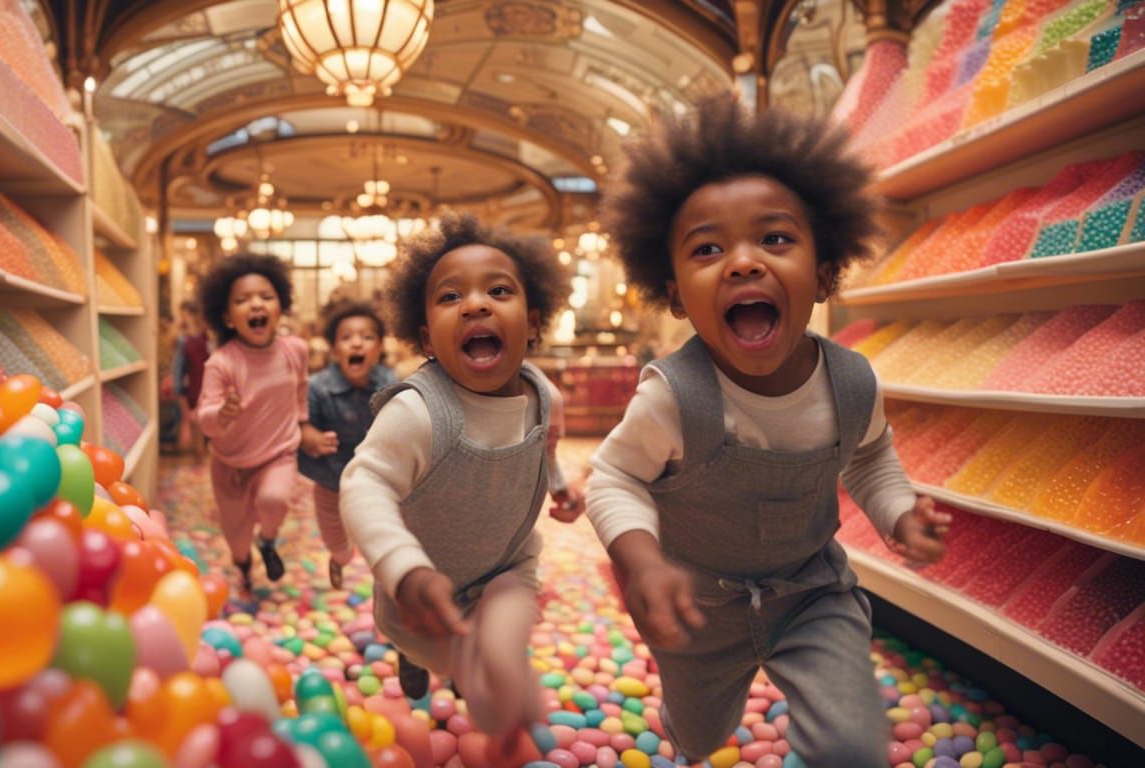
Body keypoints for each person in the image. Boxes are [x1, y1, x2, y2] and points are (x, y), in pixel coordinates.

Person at [584, 96, 950, 766]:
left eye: (775, 239)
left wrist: (898, 512)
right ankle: (687, 715)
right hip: (696, 609)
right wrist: (641, 562)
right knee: (697, 737)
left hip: (812, 592)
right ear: (673, 291)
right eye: (708, 248)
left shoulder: (851, 383)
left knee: (850, 742)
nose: (743, 262)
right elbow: (613, 475)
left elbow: (868, 458)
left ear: (826, 271)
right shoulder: (673, 397)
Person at [340, 213, 581, 756]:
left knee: (496, 662)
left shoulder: (546, 395)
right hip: (423, 591)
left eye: (498, 290)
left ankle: (501, 727)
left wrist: (561, 484)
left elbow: (543, 448)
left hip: (507, 566)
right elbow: (363, 483)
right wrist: (404, 569)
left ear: (534, 320)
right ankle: (421, 659)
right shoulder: (419, 412)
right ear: (426, 337)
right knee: (449, 654)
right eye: (451, 297)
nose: (476, 304)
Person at [195, 253, 308, 594]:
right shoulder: (221, 363)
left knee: (274, 500)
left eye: (266, 297)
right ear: (228, 318)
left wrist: (304, 425)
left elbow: (301, 390)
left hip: (278, 454)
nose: (256, 305)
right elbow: (205, 418)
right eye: (242, 301)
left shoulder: (296, 350)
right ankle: (244, 564)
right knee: (237, 538)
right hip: (230, 465)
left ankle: (269, 542)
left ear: (280, 307)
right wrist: (221, 414)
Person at [298, 299, 397, 590]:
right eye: (346, 338)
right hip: (331, 478)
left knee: (381, 536)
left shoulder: (389, 382)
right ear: (334, 349)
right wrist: (310, 436)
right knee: (339, 544)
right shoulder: (318, 386)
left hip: (375, 479)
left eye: (367, 338)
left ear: (379, 349)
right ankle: (338, 559)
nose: (357, 344)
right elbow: (301, 422)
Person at [172, 299, 210, 458]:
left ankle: (201, 454)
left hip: (206, 384)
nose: (183, 317)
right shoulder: (182, 340)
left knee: (202, 423)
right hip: (194, 386)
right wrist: (178, 388)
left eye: (185, 314)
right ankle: (199, 455)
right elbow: (178, 369)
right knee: (195, 424)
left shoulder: (206, 337)